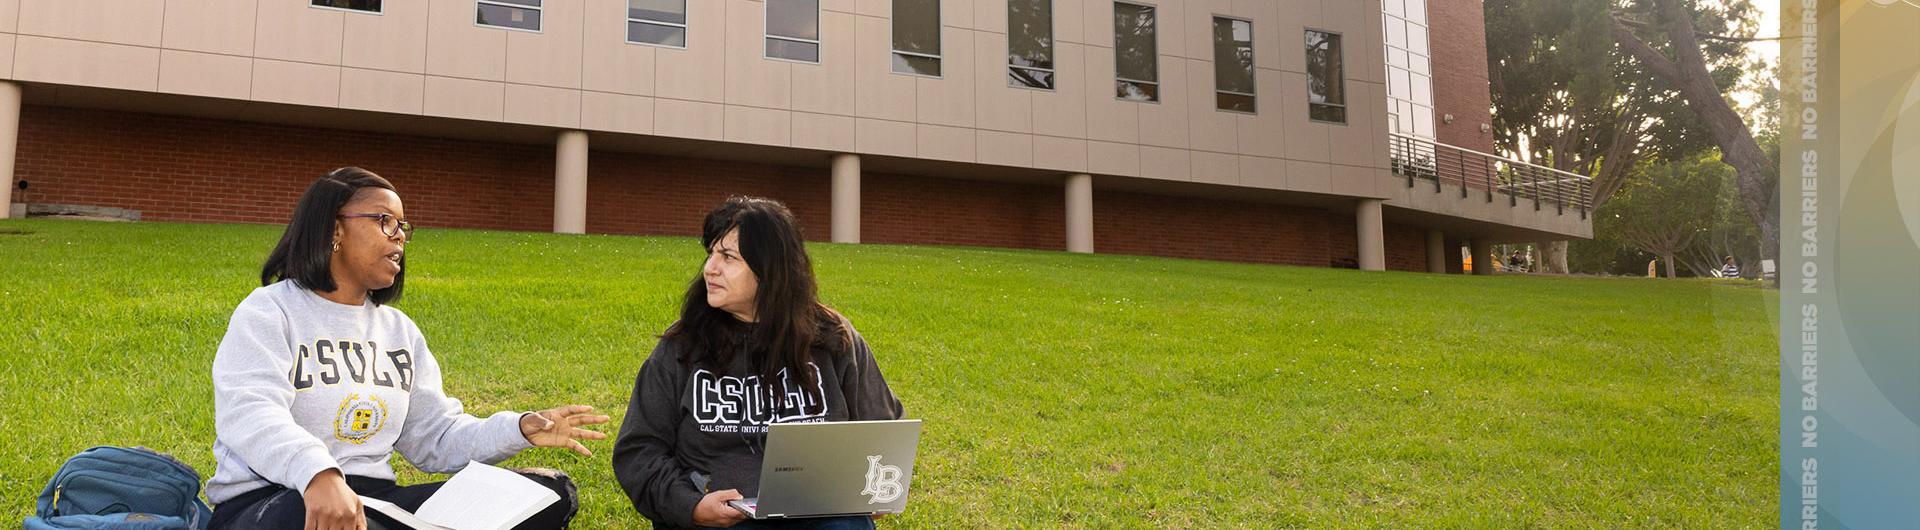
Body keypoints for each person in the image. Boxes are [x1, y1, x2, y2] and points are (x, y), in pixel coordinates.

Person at [207, 167, 609, 530]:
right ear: (334, 229)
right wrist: (318, 475)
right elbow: (251, 414)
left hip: (376, 504)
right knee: (310, 518)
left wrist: (518, 428)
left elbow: (436, 439)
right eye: (384, 221)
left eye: (402, 226)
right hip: (275, 500)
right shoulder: (270, 311)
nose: (399, 235)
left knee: (548, 493)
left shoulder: (399, 331)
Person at [614, 197, 904, 530]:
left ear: (770, 270)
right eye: (711, 253)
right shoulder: (682, 346)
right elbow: (639, 450)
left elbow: (884, 430)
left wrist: (879, 487)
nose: (710, 268)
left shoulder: (832, 337)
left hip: (818, 511)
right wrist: (691, 506)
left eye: (728, 257)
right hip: (721, 519)